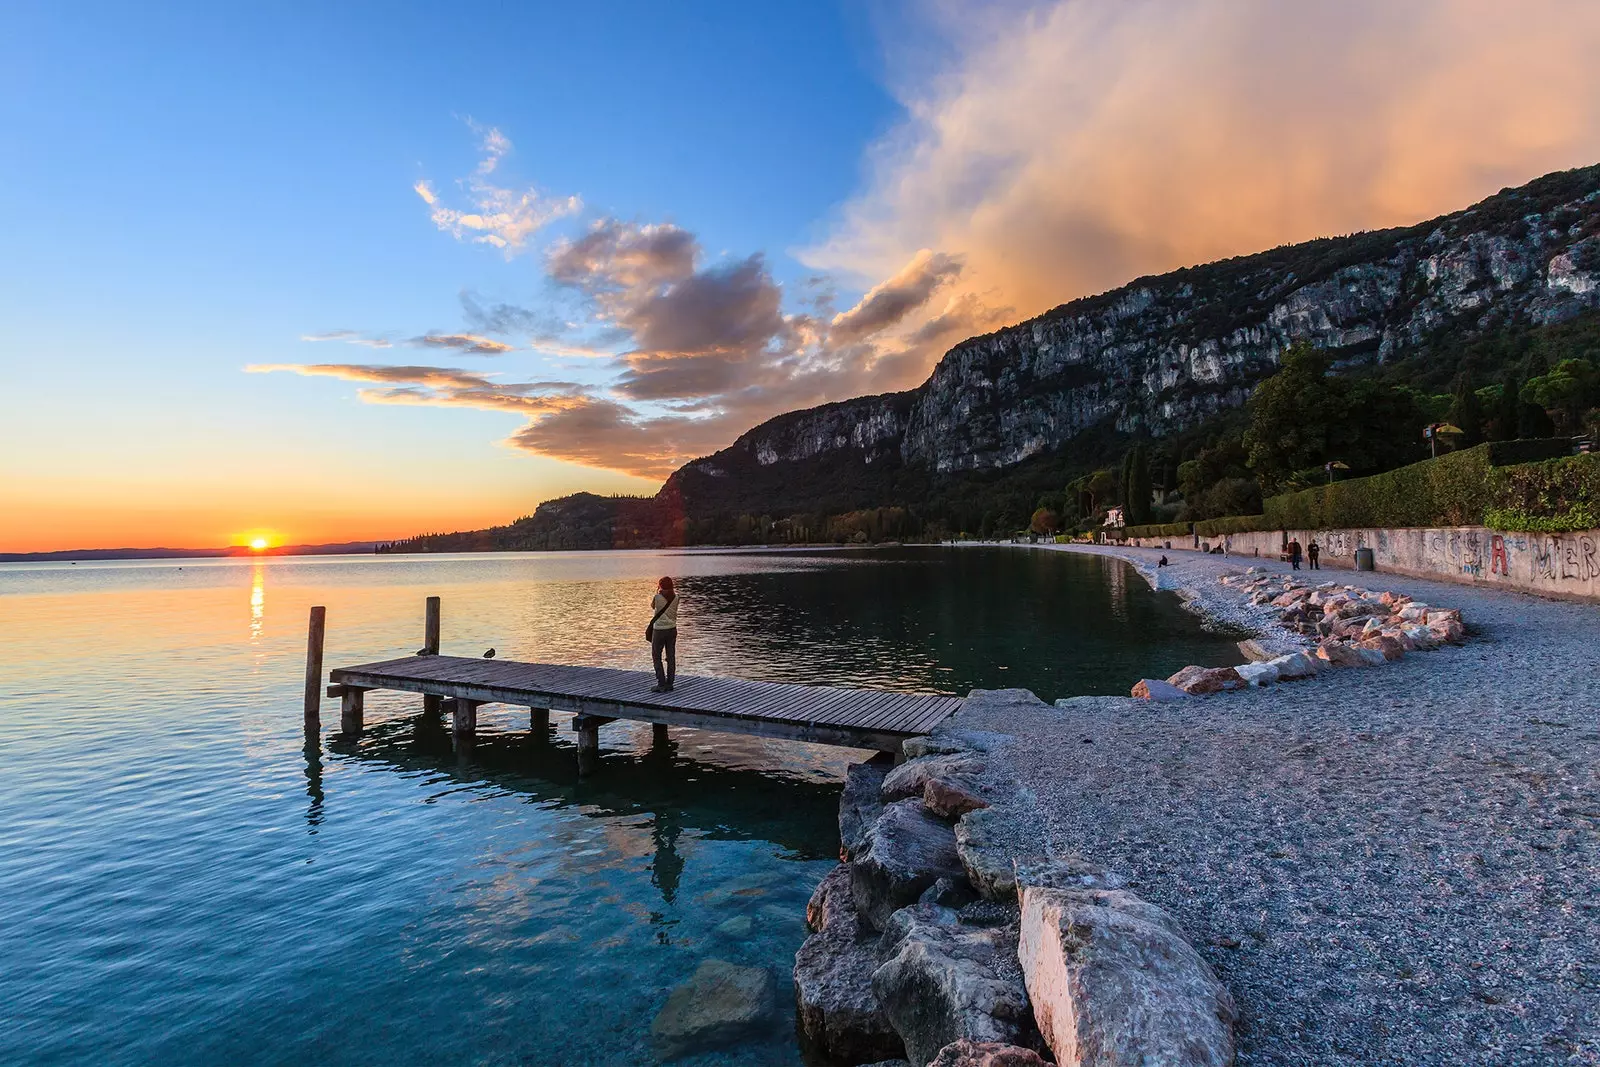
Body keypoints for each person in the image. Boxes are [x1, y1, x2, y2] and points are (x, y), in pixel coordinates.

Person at [648, 576, 678, 693]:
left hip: (659, 630)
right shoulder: (677, 597)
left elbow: (652, 606)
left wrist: (657, 591)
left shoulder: (657, 597)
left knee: (656, 656)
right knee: (671, 656)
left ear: (660, 586)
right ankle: (670, 683)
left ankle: (661, 683)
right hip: (672, 629)